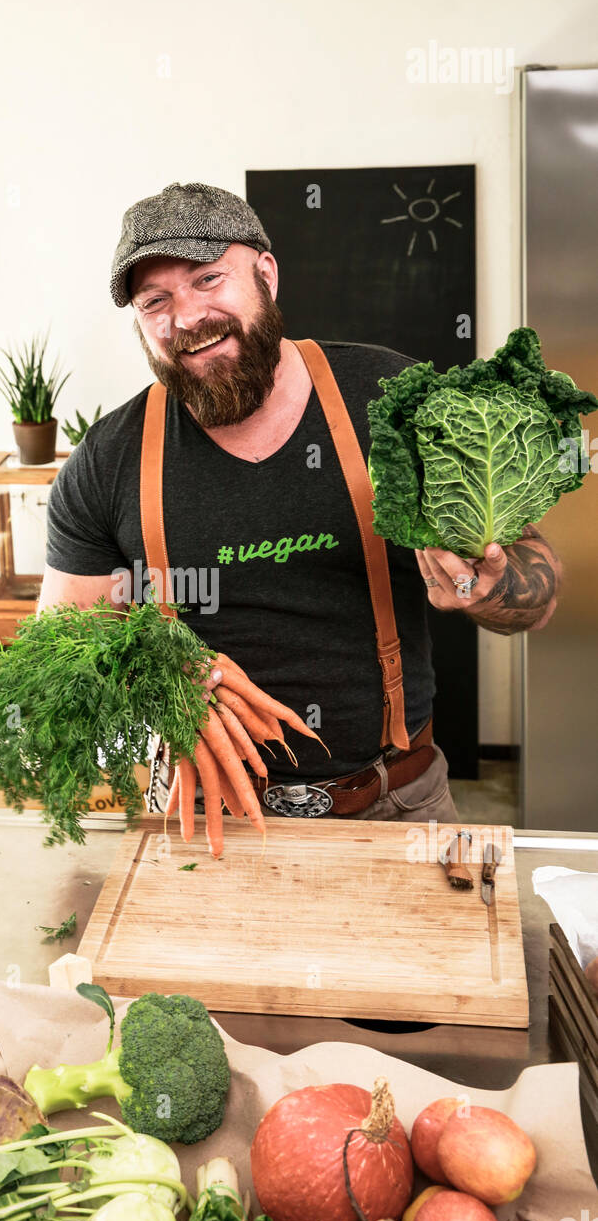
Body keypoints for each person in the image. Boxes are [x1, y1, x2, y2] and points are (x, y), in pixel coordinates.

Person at [38, 182, 561, 822]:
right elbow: (60, 649)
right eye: (155, 301)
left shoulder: (393, 401)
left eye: (208, 280)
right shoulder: (107, 459)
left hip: (395, 803)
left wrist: (490, 591)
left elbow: (536, 598)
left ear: (266, 275)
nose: (186, 317)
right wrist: (163, 678)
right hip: (199, 817)